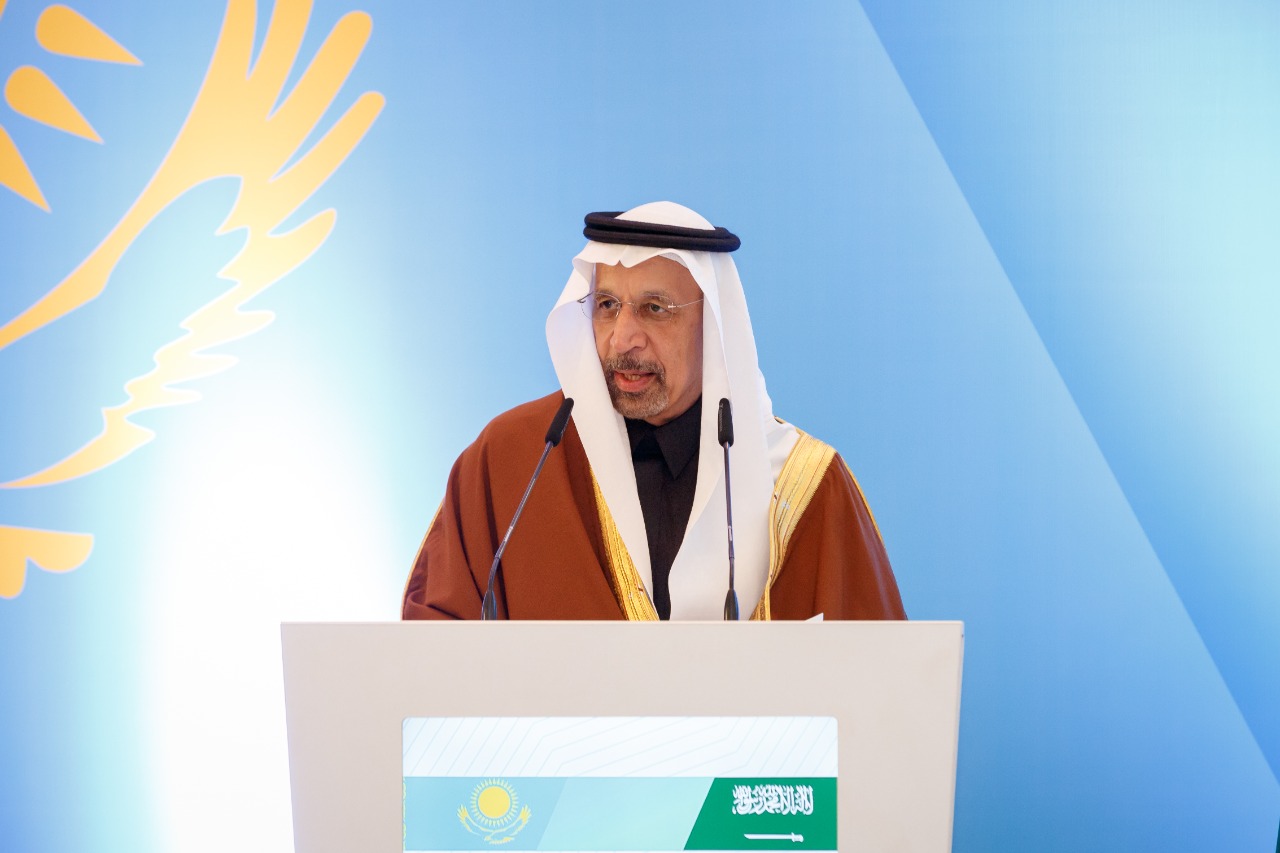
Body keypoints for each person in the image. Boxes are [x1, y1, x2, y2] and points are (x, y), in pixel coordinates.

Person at [402, 202, 904, 621]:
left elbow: (877, 682)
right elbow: (433, 647)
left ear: (713, 325)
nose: (623, 339)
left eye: (654, 309)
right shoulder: (511, 460)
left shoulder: (802, 486)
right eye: (606, 305)